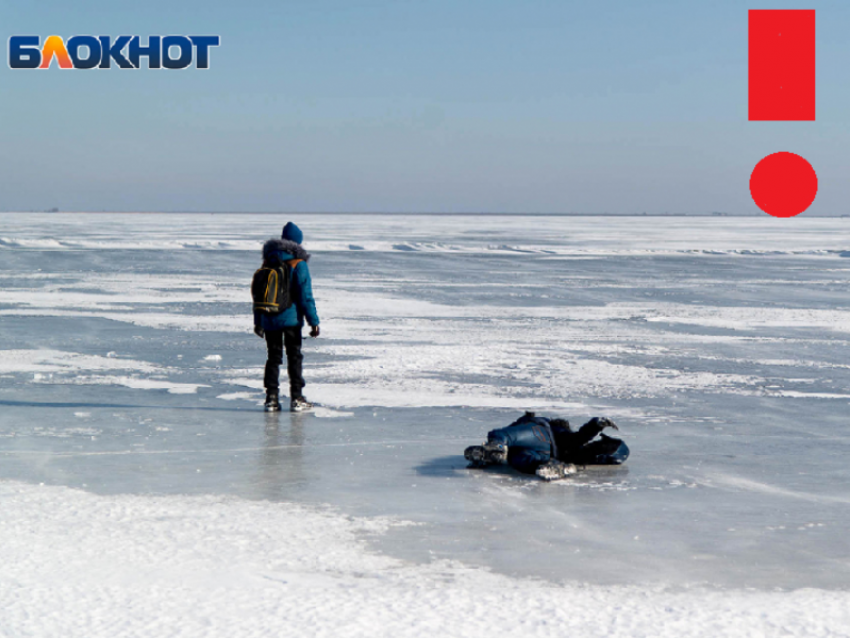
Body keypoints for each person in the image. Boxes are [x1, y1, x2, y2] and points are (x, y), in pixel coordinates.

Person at [253, 222, 320, 412]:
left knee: (273, 357)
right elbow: (305, 297)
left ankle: (271, 399)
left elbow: (258, 294)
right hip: (291, 320)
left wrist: (258, 322)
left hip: (269, 318)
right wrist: (313, 322)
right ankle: (297, 398)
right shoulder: (299, 264)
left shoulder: (268, 261)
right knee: (294, 357)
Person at [464, 411, 628, 480]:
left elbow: (578, 437)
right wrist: (596, 425)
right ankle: (544, 466)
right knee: (522, 461)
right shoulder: (569, 447)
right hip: (544, 455)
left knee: (504, 435)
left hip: (538, 437)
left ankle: (496, 446)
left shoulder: (548, 427)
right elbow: (579, 439)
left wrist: (596, 424)